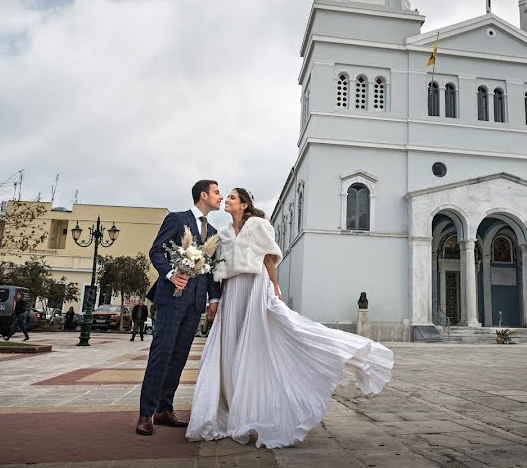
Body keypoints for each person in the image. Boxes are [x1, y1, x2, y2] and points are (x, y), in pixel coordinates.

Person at [186, 188, 393, 449]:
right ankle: (232, 403)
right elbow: (216, 266)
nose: (227, 200)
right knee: (230, 346)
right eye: (225, 197)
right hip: (232, 291)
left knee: (269, 337)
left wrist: (274, 285)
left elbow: (269, 258)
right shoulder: (223, 233)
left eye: (232, 198)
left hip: (254, 286)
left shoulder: (259, 224)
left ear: (244, 204)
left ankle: (355, 354)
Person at [136, 180, 223, 436]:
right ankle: (145, 414)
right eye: (217, 192)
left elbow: (212, 272)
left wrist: (213, 299)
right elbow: (156, 252)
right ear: (203, 195)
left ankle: (164, 409)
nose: (220, 196)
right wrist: (172, 273)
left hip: (195, 304)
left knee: (178, 358)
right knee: (161, 355)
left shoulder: (215, 232)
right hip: (171, 299)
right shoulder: (177, 219)